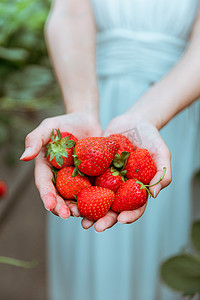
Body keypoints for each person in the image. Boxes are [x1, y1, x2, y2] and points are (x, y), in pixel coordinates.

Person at [20, 0, 200, 299]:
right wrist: (82, 110)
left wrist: (147, 117)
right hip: (89, 91)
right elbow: (70, 10)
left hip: (174, 100)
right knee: (84, 244)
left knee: (160, 237)